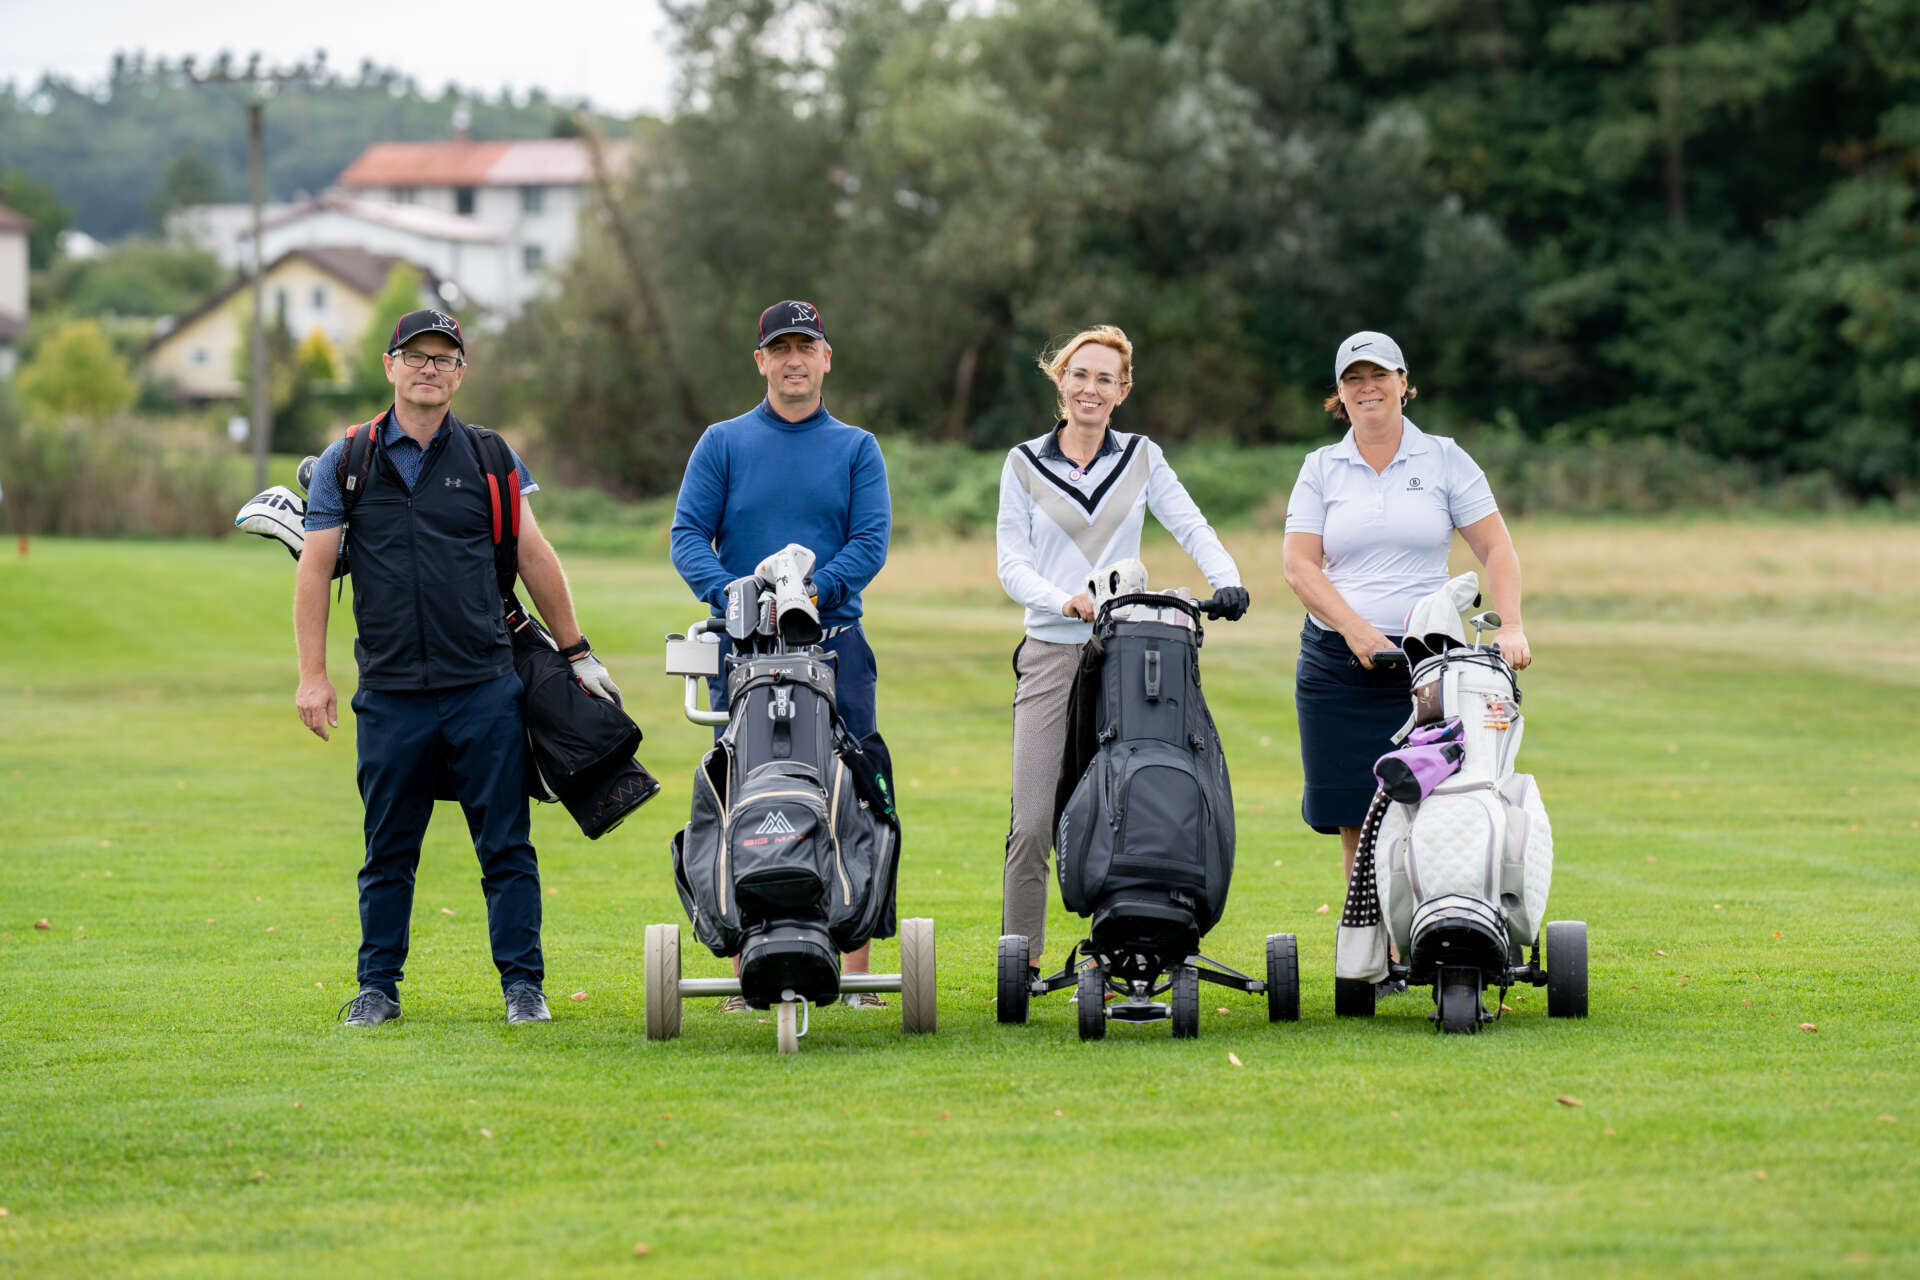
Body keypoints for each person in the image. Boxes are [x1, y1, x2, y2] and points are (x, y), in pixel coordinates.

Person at [295, 309, 620, 1029]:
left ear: (461, 373)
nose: (429, 369)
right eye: (416, 356)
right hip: (389, 693)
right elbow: (316, 570)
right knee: (388, 850)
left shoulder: (490, 457)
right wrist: (312, 676)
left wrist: (576, 652)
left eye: (444, 358)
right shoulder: (345, 462)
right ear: (390, 366)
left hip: (483, 686)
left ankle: (523, 988)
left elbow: (534, 557)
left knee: (505, 846)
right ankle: (377, 987)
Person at [994, 324, 1249, 980]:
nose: (1091, 388)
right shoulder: (1023, 464)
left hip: (1131, 652)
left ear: (1123, 390)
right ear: (1062, 381)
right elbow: (1011, 563)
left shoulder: (1142, 456)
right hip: (1053, 649)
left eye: (1106, 378)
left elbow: (1189, 522)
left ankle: (1124, 946)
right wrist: (1064, 600)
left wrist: (1227, 579)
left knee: (1132, 801)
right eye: (1081, 375)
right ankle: (1021, 963)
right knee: (1031, 822)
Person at [669, 299, 892, 1010]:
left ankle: (854, 971)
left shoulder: (857, 447)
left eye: (807, 346)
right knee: (742, 793)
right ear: (761, 360)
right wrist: (741, 595)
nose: (795, 359)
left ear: (827, 358)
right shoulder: (723, 442)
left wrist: (810, 592)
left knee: (853, 793)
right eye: (781, 348)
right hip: (742, 653)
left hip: (834, 646)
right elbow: (687, 537)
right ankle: (746, 966)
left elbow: (869, 543)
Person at [1282, 330, 1531, 894]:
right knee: (1355, 817)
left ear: (1403, 384)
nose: (1367, 389)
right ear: (1340, 395)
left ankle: (1432, 930)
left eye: (1379, 376)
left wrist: (1511, 625)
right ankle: (1371, 954)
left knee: (1438, 802)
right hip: (1338, 663)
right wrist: (1357, 633)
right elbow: (1300, 566)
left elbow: (1496, 547)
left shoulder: (1443, 457)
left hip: (1431, 663)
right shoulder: (1321, 467)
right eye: (1354, 380)